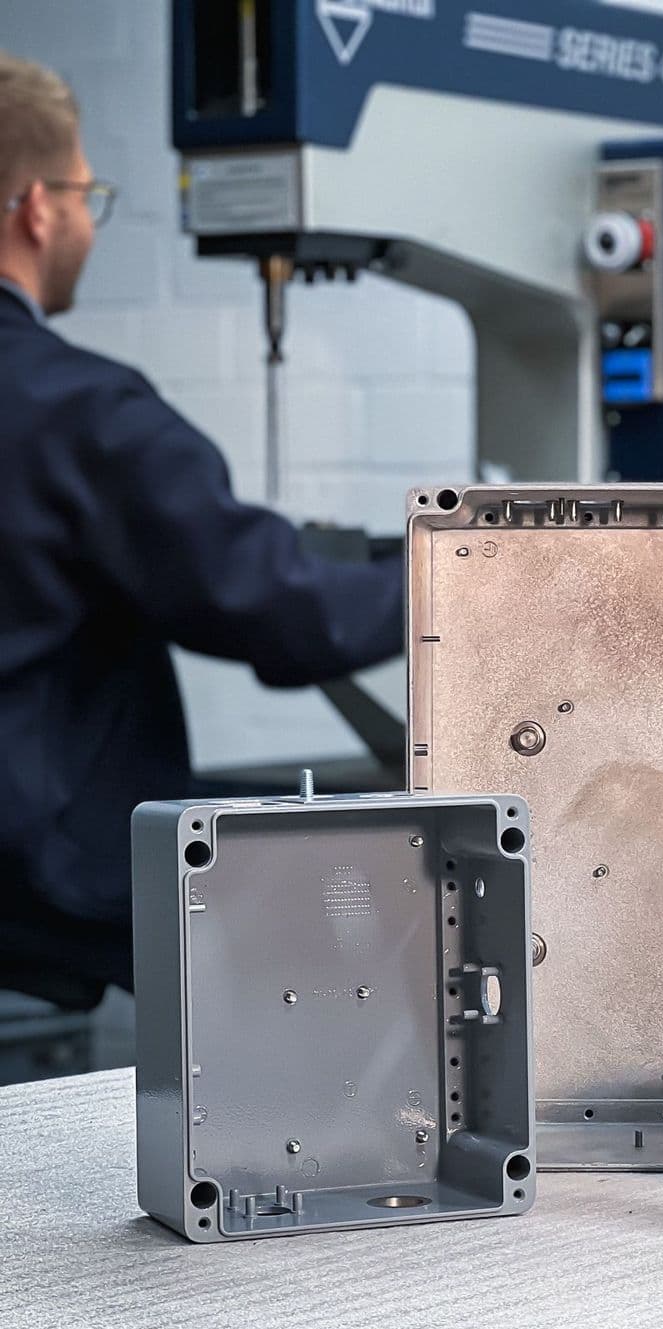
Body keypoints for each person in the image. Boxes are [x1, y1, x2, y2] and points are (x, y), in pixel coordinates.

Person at [0, 52, 408, 1005]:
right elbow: (286, 614)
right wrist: (470, 568)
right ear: (37, 207)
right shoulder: (79, 412)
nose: (88, 220)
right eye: (85, 192)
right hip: (39, 903)